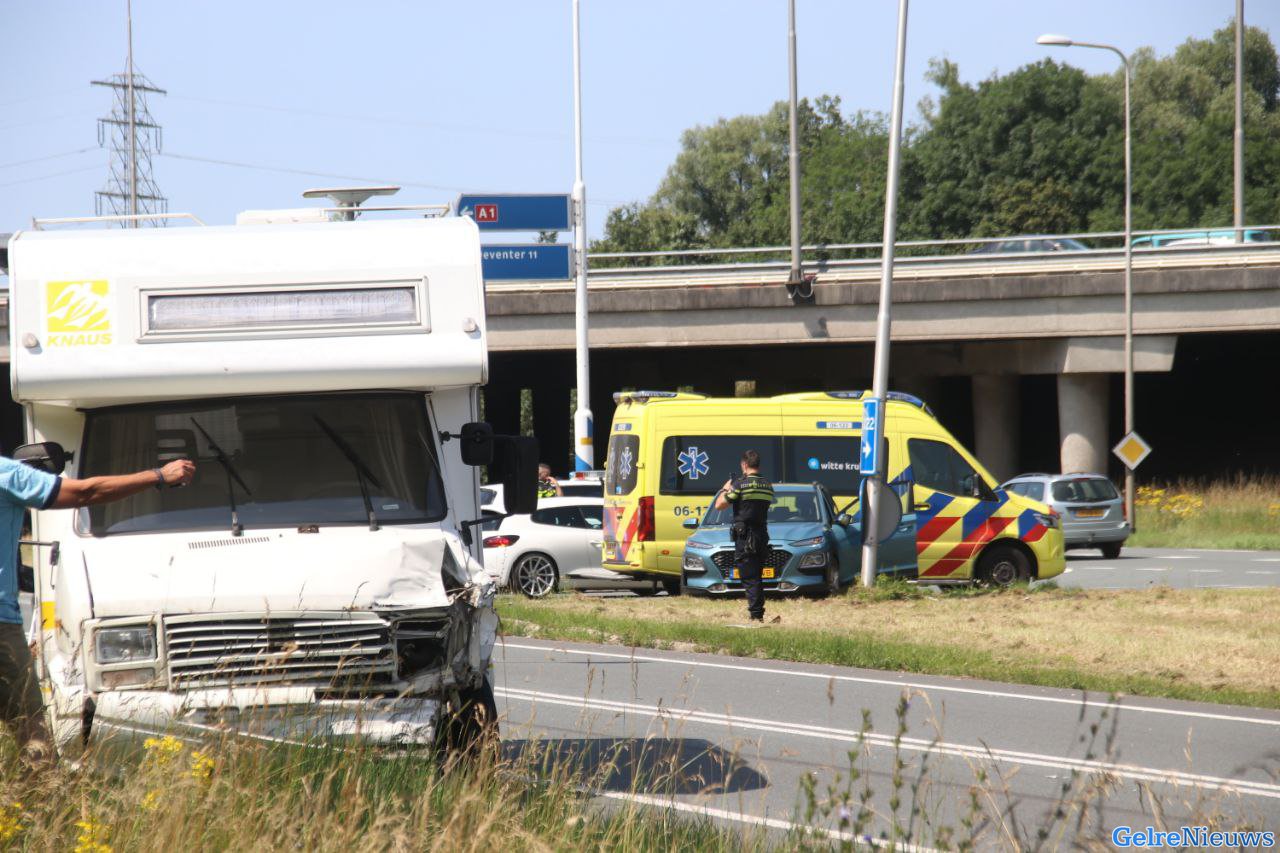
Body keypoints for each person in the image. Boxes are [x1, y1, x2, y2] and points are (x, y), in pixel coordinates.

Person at [1, 452, 196, 764]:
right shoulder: (6, 474)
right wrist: (159, 476)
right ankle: (42, 810)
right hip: (1, 626)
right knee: (35, 746)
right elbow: (84, 492)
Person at [714, 449, 775, 622]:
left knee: (749, 577)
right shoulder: (768, 485)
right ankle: (758, 613)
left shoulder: (740, 484)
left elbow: (719, 505)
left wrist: (725, 488)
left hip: (745, 536)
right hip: (762, 535)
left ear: (744, 465)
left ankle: (756, 616)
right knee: (757, 576)